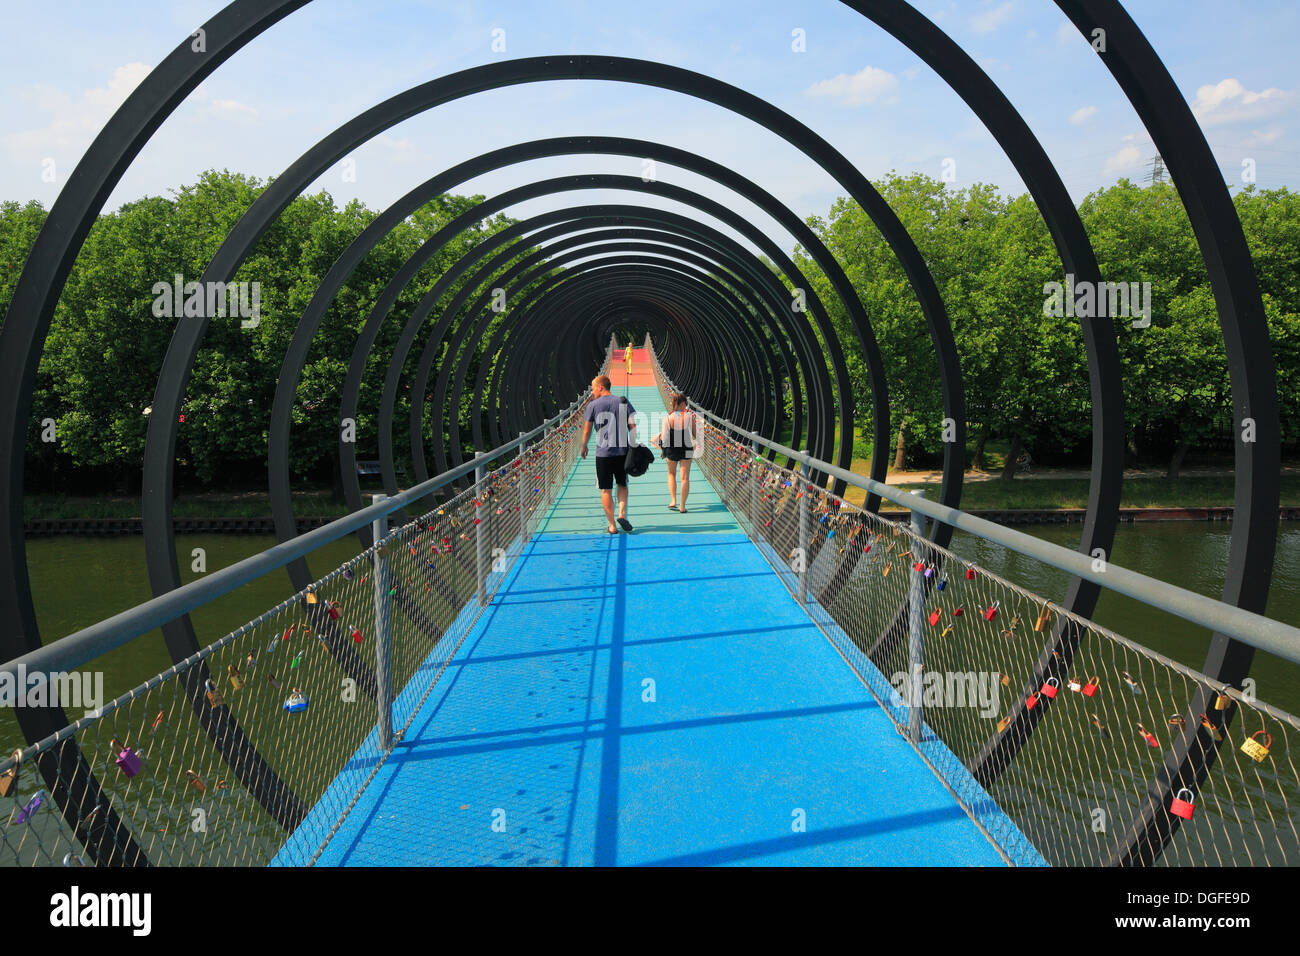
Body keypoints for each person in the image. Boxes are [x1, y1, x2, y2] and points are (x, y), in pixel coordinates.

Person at [581, 375, 636, 534]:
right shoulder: (622, 402)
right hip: (622, 452)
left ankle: (612, 525)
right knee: (622, 484)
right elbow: (632, 426)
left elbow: (587, 430)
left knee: (605, 489)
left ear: (600, 387)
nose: (592, 392)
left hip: (603, 454)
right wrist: (633, 446)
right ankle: (622, 515)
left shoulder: (593, 405)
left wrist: (584, 446)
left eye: (593, 389)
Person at [653, 392, 696, 513]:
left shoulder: (668, 418)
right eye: (685, 404)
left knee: (671, 474)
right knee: (685, 478)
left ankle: (673, 500)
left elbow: (664, 438)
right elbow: (696, 434)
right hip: (686, 448)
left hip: (672, 448)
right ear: (682, 404)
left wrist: (660, 445)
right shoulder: (689, 417)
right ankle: (682, 506)